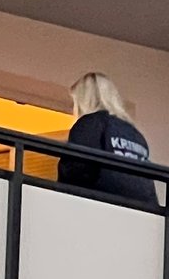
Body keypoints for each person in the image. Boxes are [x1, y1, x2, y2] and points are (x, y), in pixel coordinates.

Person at [58, 72, 157, 207]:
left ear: (83, 100)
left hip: (101, 205)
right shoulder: (135, 134)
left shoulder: (89, 123)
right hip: (143, 209)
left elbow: (75, 170)